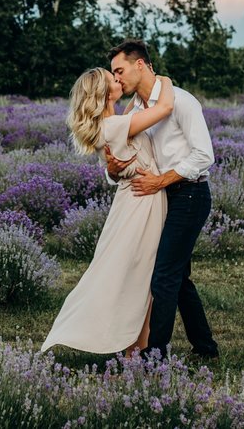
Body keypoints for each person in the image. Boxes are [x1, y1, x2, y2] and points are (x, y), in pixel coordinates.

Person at [40, 67, 175, 357]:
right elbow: (164, 107)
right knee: (139, 277)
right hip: (142, 204)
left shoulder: (114, 122)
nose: (118, 79)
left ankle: (136, 351)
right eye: (113, 78)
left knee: (139, 275)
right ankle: (132, 352)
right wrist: (162, 79)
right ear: (103, 93)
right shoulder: (114, 126)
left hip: (137, 200)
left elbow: (133, 111)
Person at [105, 39, 220, 360]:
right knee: (179, 277)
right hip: (159, 199)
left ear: (139, 64)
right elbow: (123, 162)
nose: (117, 80)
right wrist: (113, 172)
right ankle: (206, 348)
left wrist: (162, 180)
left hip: (190, 194)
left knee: (164, 277)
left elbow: (204, 155)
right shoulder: (136, 111)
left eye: (120, 71)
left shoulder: (181, 101)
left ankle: (154, 357)